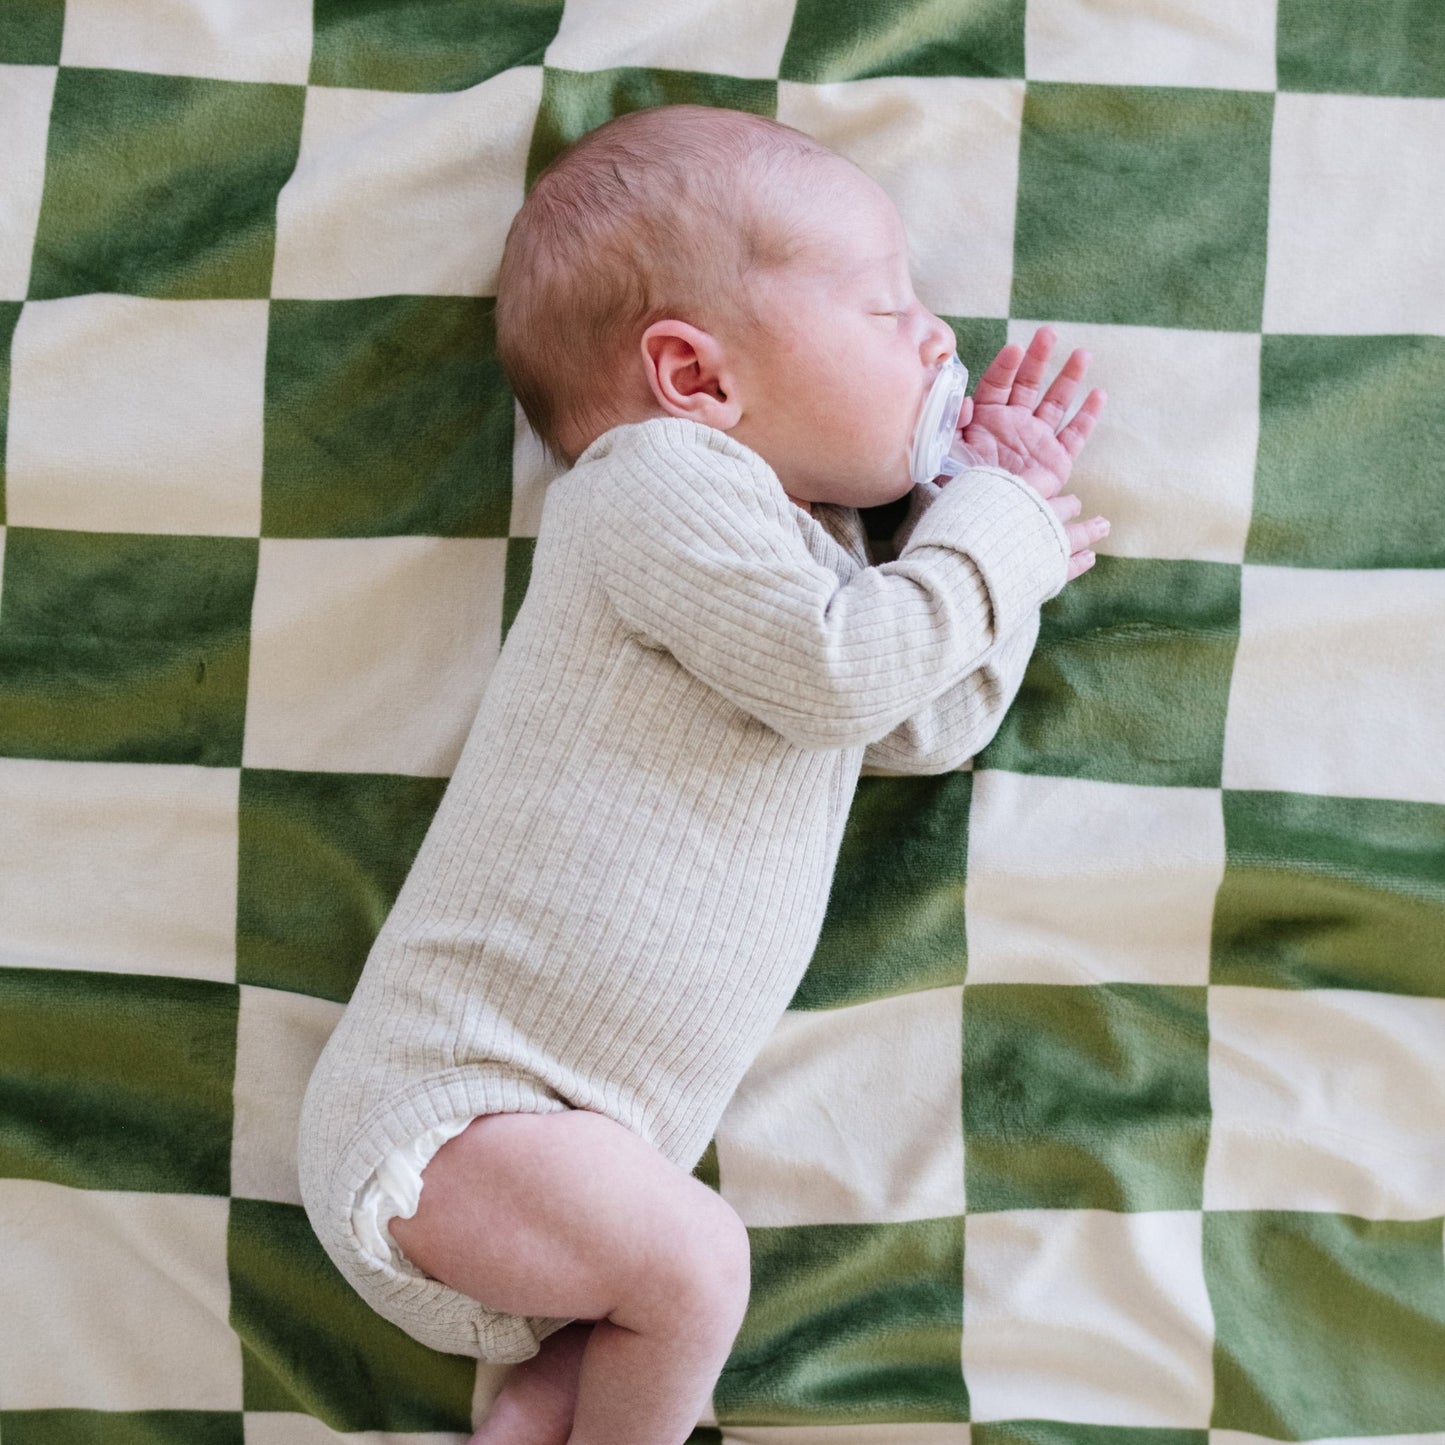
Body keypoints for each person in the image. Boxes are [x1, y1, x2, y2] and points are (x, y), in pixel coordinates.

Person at [296, 102, 1108, 1445]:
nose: (936, 336)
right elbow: (846, 670)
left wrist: (978, 507)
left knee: (642, 1308)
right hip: (459, 1110)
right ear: (695, 375)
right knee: (696, 1270)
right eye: (883, 307)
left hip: (571, 1172)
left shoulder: (819, 560)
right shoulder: (651, 483)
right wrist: (994, 533)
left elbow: (921, 715)